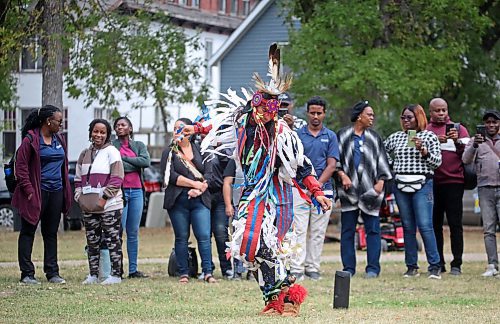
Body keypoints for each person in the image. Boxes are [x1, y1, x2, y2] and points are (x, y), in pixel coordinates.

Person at [184, 44, 332, 316]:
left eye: (273, 108)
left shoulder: (282, 133)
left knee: (264, 245)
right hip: (251, 191)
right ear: (254, 103)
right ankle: (281, 293)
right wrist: (196, 128)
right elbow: (219, 124)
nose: (266, 113)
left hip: (277, 195)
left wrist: (316, 191)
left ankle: (282, 299)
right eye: (262, 106)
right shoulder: (241, 120)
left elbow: (301, 165)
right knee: (247, 246)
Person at [12, 105, 72, 284]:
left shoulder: (59, 140)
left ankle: (52, 272)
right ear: (48, 121)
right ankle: (27, 273)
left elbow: (63, 166)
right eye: (59, 121)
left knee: (50, 232)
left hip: (56, 192)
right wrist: (29, 192)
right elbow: (21, 169)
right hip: (36, 192)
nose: (61, 124)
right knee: (28, 231)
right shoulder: (30, 140)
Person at [384, 104, 442, 279]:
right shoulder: (396, 137)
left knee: (425, 225)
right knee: (407, 227)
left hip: (423, 183)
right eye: (403, 118)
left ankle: (434, 266)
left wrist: (424, 151)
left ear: (419, 117)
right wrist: (392, 166)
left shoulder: (429, 137)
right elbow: (382, 151)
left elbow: (437, 162)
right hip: (401, 183)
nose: (406, 121)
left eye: (410, 117)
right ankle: (411, 266)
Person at [335, 101, 392, 278]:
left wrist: (381, 181)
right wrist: (342, 175)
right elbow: (335, 159)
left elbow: (382, 160)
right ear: (359, 115)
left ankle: (373, 268)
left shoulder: (374, 137)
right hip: (348, 190)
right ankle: (349, 269)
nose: (372, 118)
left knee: (373, 230)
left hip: (371, 191)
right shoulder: (343, 135)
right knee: (347, 231)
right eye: (369, 114)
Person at [160, 118, 215, 284]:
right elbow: (170, 176)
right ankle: (183, 272)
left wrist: (199, 189)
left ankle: (207, 272)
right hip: (178, 200)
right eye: (175, 128)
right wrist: (193, 184)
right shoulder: (169, 152)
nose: (178, 131)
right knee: (181, 237)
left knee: (204, 235)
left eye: (182, 128)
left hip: (199, 199)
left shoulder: (202, 149)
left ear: (190, 132)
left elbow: (210, 174)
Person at [290, 96, 339, 281]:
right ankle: (297, 267)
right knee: (299, 230)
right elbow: (294, 162)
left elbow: (332, 165)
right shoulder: (298, 135)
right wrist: (308, 186)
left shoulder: (330, 136)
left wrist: (315, 186)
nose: (316, 116)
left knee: (318, 232)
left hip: (323, 191)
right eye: (312, 113)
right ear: (307, 113)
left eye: (319, 113)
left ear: (324, 114)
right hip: (300, 190)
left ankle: (313, 267)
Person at [75, 119, 124, 285]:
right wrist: (79, 198)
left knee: (112, 240)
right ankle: (93, 275)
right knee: (92, 242)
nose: (99, 135)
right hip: (88, 207)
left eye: (103, 132)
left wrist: (104, 199)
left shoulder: (112, 152)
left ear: (108, 135)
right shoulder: (84, 154)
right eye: (96, 131)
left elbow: (117, 179)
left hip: (110, 206)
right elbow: (77, 180)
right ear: (90, 132)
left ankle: (116, 275)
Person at [426, 98, 470, 275]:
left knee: (455, 224)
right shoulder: (426, 130)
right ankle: (439, 263)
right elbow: (415, 150)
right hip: (432, 183)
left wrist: (458, 141)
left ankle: (456, 264)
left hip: (454, 182)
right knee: (435, 224)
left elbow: (470, 155)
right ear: (431, 112)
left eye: (444, 110)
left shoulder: (459, 129)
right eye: (438, 110)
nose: (442, 113)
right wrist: (434, 140)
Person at [462, 110, 500, 277]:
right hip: (484, 189)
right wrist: (475, 145)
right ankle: (492, 264)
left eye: (494, 121)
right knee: (488, 229)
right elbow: (465, 160)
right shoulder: (475, 141)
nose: (491, 125)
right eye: (488, 122)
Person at [112, 116, 151, 278]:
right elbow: (114, 164)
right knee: (117, 230)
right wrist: (134, 163)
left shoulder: (139, 145)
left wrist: (125, 159)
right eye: (117, 125)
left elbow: (146, 161)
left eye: (123, 125)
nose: (120, 127)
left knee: (133, 231)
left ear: (130, 128)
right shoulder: (112, 146)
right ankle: (117, 268)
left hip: (136, 192)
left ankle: (133, 269)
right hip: (118, 192)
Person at [205, 150, 233, 279]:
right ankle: (207, 268)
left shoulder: (225, 149)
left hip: (220, 195)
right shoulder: (200, 148)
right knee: (205, 234)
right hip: (204, 195)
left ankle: (226, 268)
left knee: (221, 233)